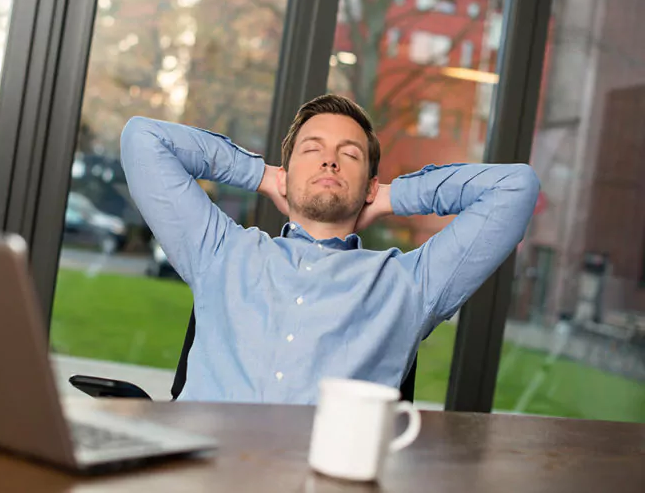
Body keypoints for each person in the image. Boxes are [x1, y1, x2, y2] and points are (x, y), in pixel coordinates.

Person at [120, 94, 539, 405]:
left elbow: (515, 189)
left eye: (349, 155)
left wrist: (393, 197)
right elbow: (143, 138)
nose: (329, 162)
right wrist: (263, 176)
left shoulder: (411, 285)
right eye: (312, 149)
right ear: (287, 174)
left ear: (370, 184)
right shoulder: (220, 250)